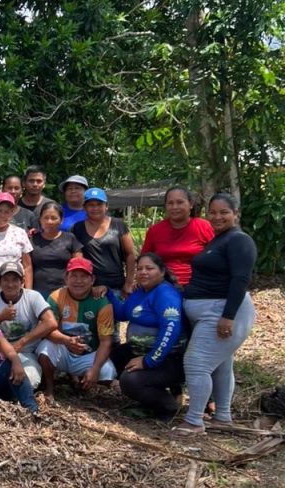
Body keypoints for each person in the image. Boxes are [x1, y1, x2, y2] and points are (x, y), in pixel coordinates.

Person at [172, 193, 257, 437]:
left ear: (236, 214)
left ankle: (195, 420)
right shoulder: (219, 240)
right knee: (220, 365)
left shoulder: (239, 240)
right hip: (208, 311)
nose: (217, 217)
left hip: (222, 311)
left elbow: (241, 279)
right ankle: (222, 417)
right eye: (213, 212)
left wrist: (228, 316)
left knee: (196, 363)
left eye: (224, 212)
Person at [104, 253, 186, 420]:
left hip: (170, 358)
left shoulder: (165, 294)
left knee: (130, 381)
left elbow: (171, 330)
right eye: (139, 268)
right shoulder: (140, 292)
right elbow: (122, 313)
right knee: (106, 363)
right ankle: (152, 396)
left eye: (149, 268)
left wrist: (148, 361)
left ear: (162, 271)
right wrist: (108, 294)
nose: (143, 272)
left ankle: (168, 406)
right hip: (138, 350)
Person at [36, 258, 117, 403]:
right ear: (66, 278)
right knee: (44, 350)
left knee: (107, 373)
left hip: (89, 353)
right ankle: (49, 388)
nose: (78, 281)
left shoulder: (102, 303)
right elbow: (47, 330)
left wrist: (96, 369)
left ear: (92, 279)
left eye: (84, 276)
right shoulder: (56, 297)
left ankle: (83, 383)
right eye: (73, 276)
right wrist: (67, 341)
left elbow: (106, 341)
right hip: (64, 348)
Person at [0, 262, 58, 390]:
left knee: (29, 381)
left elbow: (51, 322)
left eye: (15, 280)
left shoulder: (33, 296)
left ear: (22, 281)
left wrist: (22, 342)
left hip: (26, 352)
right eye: (5, 280)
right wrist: (0, 318)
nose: (10, 284)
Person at [141, 186, 214, 287]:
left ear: (191, 204)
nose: (175, 207)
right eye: (170, 203)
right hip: (163, 287)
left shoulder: (204, 227)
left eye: (180, 202)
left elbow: (217, 258)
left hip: (199, 287)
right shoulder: (155, 231)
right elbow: (144, 261)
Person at [71, 187, 136, 298]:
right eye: (91, 205)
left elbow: (130, 255)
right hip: (89, 289)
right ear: (84, 208)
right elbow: (77, 258)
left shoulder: (118, 225)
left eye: (99, 204)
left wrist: (129, 283)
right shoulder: (78, 228)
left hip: (117, 287)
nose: (95, 208)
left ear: (106, 206)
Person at [0, 192, 33, 303]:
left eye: (7, 212)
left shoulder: (20, 233)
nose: (2, 215)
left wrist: (28, 293)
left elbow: (27, 266)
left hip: (14, 294)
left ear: (12, 213)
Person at [30, 201, 83, 298]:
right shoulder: (32, 239)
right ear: (40, 219)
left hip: (65, 292)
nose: (49, 221)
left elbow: (78, 266)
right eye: (46, 218)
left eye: (54, 218)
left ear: (61, 220)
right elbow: (27, 267)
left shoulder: (70, 238)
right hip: (38, 293)